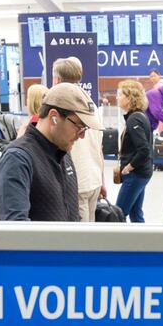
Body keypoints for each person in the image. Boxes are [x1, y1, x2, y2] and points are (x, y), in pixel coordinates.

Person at [0, 83, 95, 222]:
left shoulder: (63, 150)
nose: (81, 136)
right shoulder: (18, 159)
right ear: (54, 117)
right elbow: (16, 231)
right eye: (79, 126)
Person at [52, 58, 107, 221]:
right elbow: (99, 146)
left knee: (80, 239)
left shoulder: (63, 105)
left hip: (76, 181)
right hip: (93, 178)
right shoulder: (91, 105)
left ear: (57, 79)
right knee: (90, 235)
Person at [114, 80, 154, 223]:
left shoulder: (134, 119)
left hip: (135, 174)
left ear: (130, 97)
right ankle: (142, 244)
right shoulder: (141, 116)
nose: (117, 97)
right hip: (142, 173)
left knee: (117, 214)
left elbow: (144, 150)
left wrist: (128, 167)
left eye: (120, 94)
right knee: (136, 214)